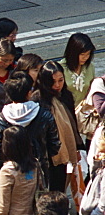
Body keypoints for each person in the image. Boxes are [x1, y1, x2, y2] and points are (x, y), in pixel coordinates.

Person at [38, 60, 84, 194]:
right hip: (47, 153)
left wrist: (77, 147)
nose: (57, 85)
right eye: (53, 82)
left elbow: (72, 123)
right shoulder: (39, 99)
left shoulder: (66, 96)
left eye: (61, 80)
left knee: (61, 185)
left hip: (64, 149)